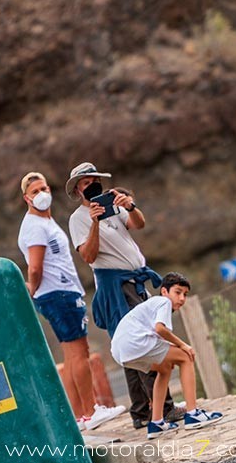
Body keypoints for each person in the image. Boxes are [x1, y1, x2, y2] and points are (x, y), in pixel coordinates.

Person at [66, 162, 182, 430]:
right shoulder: (79, 219)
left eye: (94, 179)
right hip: (116, 287)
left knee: (129, 346)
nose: (92, 184)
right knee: (142, 343)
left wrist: (129, 205)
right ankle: (163, 408)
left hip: (134, 281)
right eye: (86, 182)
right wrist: (94, 222)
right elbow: (88, 256)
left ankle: (141, 411)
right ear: (78, 189)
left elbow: (138, 223)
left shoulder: (113, 206)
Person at [17, 172, 120, 431]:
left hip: (63, 292)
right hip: (57, 294)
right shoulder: (34, 227)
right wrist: (35, 291)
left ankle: (83, 415)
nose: (42, 194)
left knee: (75, 354)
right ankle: (91, 409)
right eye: (35, 191)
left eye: (44, 188)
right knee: (79, 353)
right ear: (26, 198)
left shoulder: (46, 222)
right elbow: (35, 268)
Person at [109, 272, 222, 439]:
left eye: (185, 294)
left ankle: (156, 423)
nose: (182, 298)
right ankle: (193, 414)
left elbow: (158, 336)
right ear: (164, 291)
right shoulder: (163, 302)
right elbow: (160, 329)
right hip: (135, 343)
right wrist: (183, 345)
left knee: (165, 368)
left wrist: (174, 348)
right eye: (177, 292)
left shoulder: (152, 305)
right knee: (185, 357)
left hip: (121, 352)